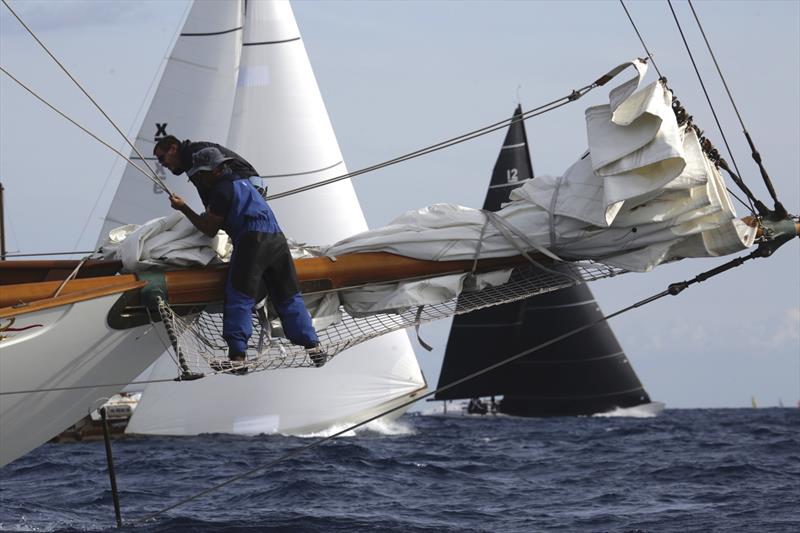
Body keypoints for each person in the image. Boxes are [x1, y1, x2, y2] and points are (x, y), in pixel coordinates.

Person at [168, 146, 326, 373]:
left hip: (253, 241)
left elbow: (209, 230)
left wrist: (184, 208)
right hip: (277, 240)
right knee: (288, 296)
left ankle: (238, 358)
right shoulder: (243, 183)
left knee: (239, 296)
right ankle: (314, 347)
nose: (199, 179)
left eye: (200, 174)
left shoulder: (221, 191)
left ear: (213, 171)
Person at [153, 135, 266, 201]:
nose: (161, 164)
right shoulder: (190, 156)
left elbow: (210, 192)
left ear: (173, 149)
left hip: (249, 188)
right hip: (251, 186)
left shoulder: (193, 156)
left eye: (161, 158)